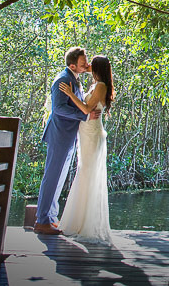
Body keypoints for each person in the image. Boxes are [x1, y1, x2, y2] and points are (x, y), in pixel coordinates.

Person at [34, 46, 100, 235]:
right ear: (72, 65)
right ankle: (42, 220)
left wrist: (87, 68)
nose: (86, 64)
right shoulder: (63, 80)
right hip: (60, 134)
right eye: (83, 63)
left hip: (68, 135)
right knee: (52, 177)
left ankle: (51, 218)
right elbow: (59, 109)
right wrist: (85, 116)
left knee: (60, 177)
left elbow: (87, 69)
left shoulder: (73, 76)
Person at [58, 54, 115, 244]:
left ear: (98, 69)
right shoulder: (96, 83)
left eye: (92, 64)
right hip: (85, 132)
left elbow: (85, 109)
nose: (88, 65)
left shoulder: (100, 86)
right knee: (84, 173)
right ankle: (78, 221)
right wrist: (88, 68)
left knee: (87, 174)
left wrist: (70, 93)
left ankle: (85, 224)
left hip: (92, 133)